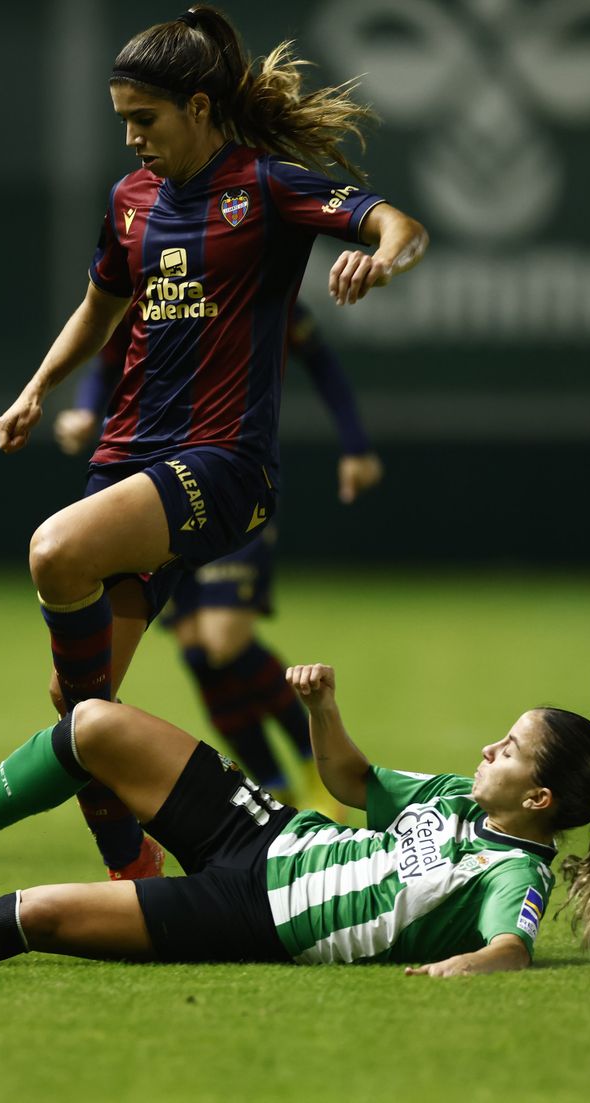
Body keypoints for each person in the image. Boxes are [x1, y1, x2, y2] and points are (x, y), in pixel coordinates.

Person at [0, 5, 427, 879]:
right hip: (127, 457)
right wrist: (38, 386)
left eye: (142, 120)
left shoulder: (266, 186)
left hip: (219, 464)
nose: (130, 140)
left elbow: (400, 224)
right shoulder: (130, 203)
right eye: (120, 121)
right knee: (78, 702)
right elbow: (98, 309)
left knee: (56, 551)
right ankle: (135, 871)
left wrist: (381, 257)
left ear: (198, 107)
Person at [0, 663, 590, 971]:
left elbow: (510, 946)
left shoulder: (517, 870)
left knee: (36, 914)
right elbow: (351, 777)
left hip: (254, 916)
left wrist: (461, 967)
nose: (489, 749)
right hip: (271, 835)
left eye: (509, 750)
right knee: (92, 725)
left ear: (541, 799)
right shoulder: (450, 795)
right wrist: (322, 709)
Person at [55, 302, 382, 815]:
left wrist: (356, 447)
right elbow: (108, 355)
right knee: (198, 652)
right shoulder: (155, 280)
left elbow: (321, 360)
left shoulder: (253, 274)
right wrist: (84, 408)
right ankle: (275, 785)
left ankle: (313, 765)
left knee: (224, 639)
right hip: (154, 488)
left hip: (228, 478)